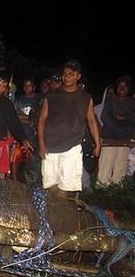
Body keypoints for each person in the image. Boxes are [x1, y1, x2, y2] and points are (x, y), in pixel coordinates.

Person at [38, 60, 101, 197]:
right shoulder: (52, 95)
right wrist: (41, 143)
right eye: (65, 74)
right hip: (51, 145)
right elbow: (42, 119)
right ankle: (53, 212)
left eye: (71, 74)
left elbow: (91, 120)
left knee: (65, 185)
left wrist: (98, 143)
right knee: (51, 184)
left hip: (72, 146)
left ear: (78, 76)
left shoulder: (85, 97)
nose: (66, 77)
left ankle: (60, 214)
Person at [97, 75, 135, 185]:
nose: (122, 89)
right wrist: (121, 121)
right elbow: (105, 117)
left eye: (125, 86)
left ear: (129, 88)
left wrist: (122, 118)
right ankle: (101, 193)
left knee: (120, 170)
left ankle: (115, 194)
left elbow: (133, 120)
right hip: (110, 140)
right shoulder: (110, 101)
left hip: (125, 142)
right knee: (105, 169)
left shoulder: (133, 103)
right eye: (120, 86)